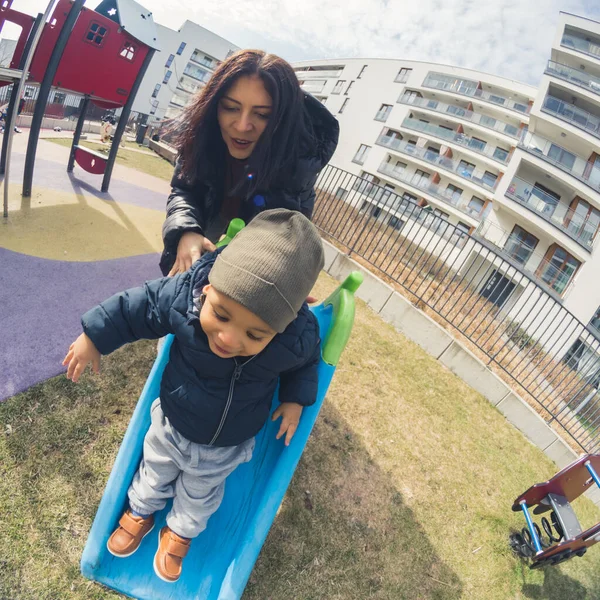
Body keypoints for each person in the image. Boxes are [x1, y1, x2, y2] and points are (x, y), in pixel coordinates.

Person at [63, 209, 324, 583]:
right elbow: (137, 307)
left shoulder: (293, 336)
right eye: (221, 314)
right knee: (153, 473)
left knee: (199, 497)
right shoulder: (183, 295)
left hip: (226, 445)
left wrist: (295, 399)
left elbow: (306, 360)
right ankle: (140, 511)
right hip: (172, 421)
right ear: (208, 288)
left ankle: (178, 533)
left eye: (255, 336)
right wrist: (95, 336)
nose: (230, 339)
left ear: (280, 327)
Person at [161, 49, 339, 277]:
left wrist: (285, 287)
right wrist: (186, 231)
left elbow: (287, 236)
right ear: (214, 105)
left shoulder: (298, 159)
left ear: (282, 120)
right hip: (211, 209)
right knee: (184, 273)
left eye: (263, 114)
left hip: (256, 230)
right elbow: (185, 190)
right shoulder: (204, 133)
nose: (243, 126)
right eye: (231, 108)